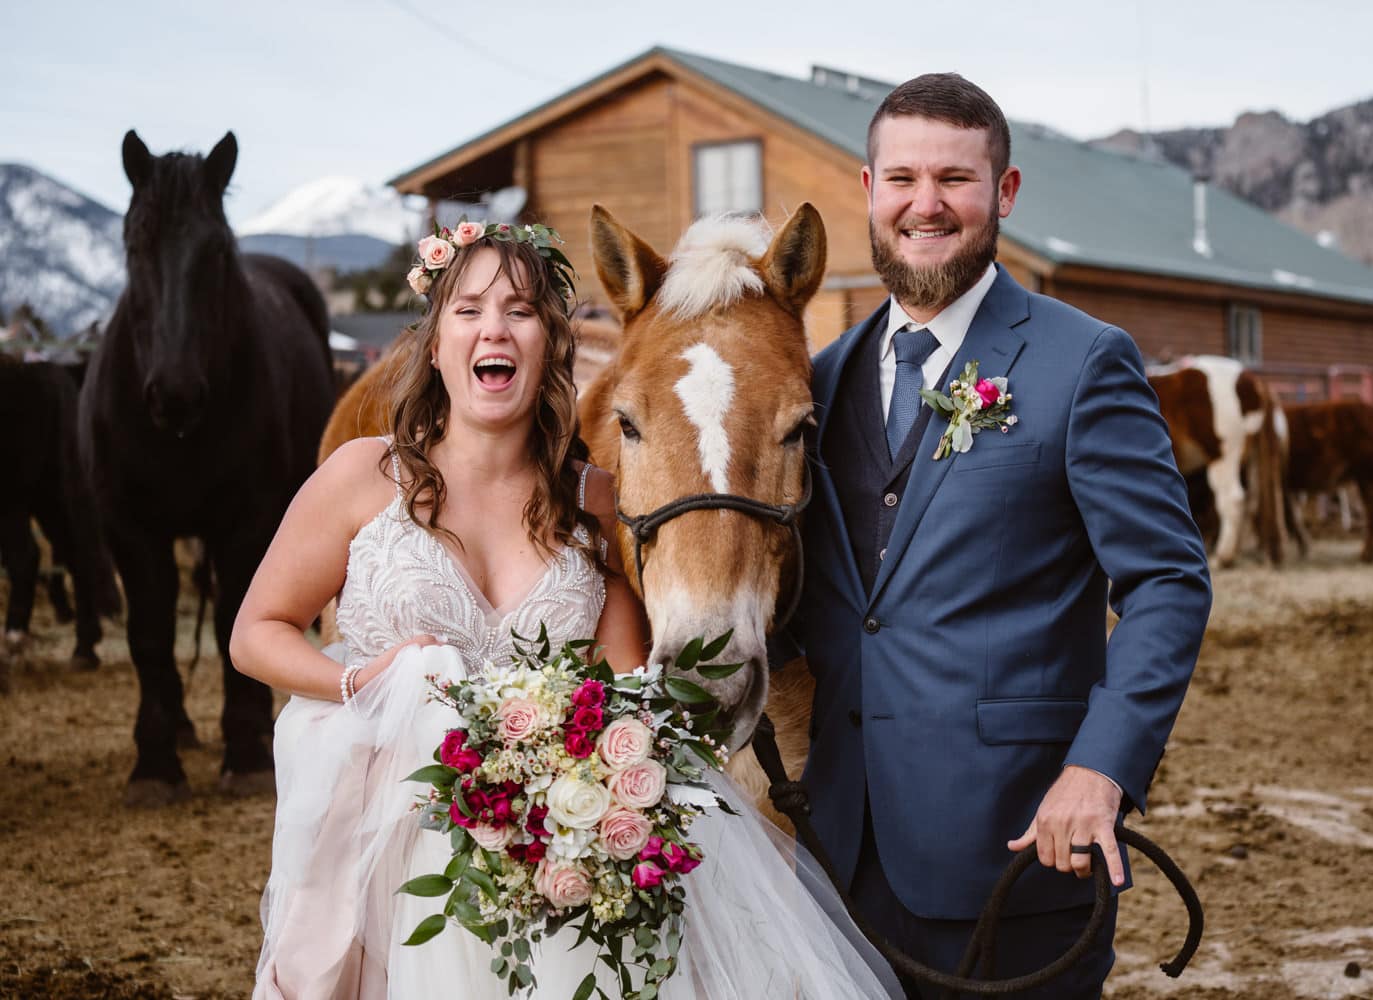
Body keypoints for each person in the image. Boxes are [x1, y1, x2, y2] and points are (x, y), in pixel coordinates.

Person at [230, 222, 901, 998]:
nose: (494, 328)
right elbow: (256, 633)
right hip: (382, 840)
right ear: (437, 338)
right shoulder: (361, 475)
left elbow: (630, 691)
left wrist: (609, 781)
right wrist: (364, 685)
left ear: (550, 344)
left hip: (538, 858)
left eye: (519, 311)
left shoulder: (595, 508)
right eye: (470, 309)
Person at [788, 74, 1214, 997]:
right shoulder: (818, 383)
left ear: (1005, 193)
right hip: (830, 857)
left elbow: (1169, 582)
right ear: (868, 189)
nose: (925, 204)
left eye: (955, 179)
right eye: (901, 179)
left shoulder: (1083, 361)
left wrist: (1102, 769)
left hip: (1017, 852)